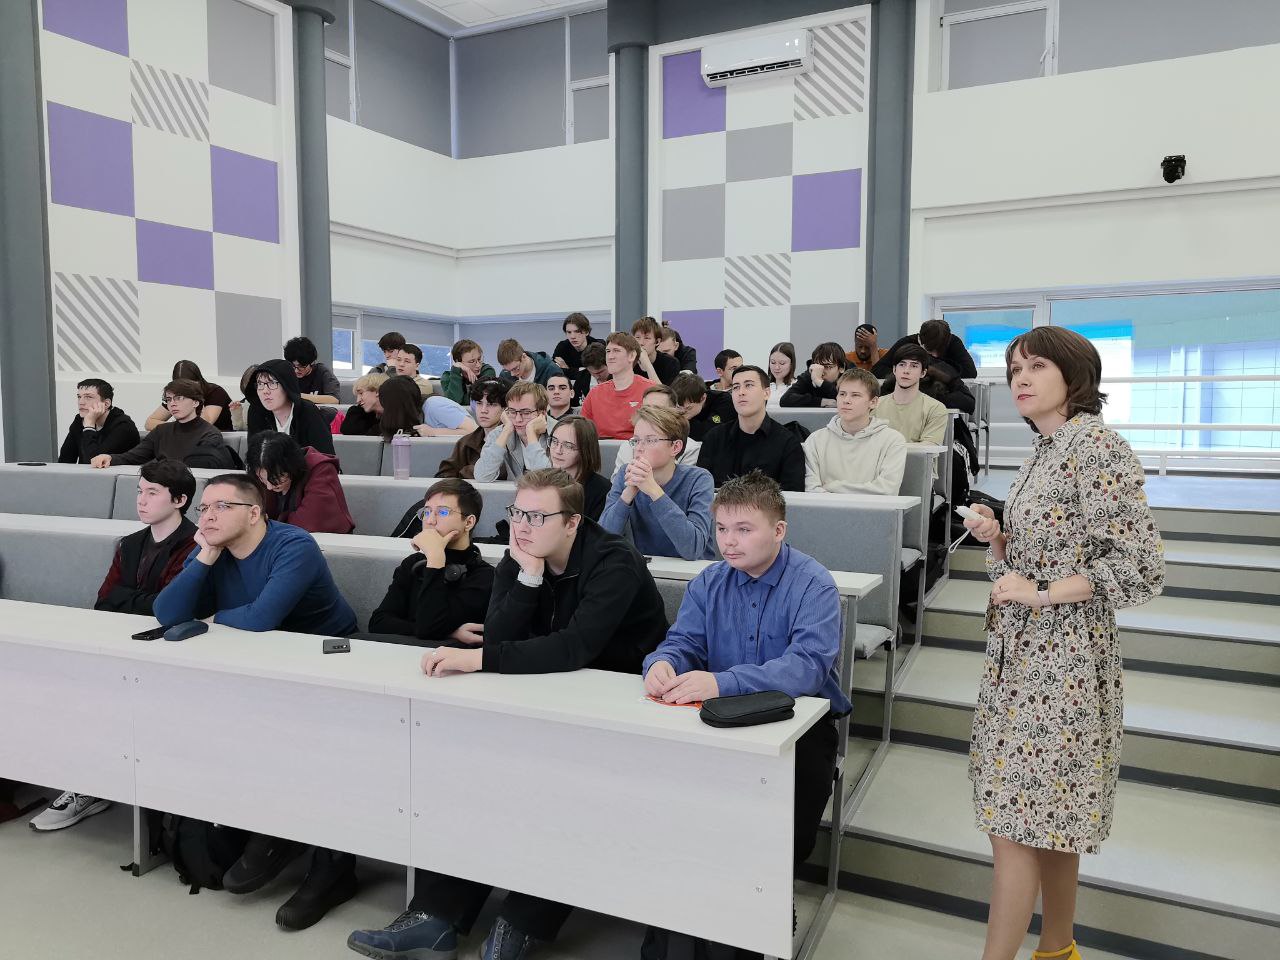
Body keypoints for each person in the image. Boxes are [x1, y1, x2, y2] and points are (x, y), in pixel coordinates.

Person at [350, 469, 666, 960]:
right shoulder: (520, 554)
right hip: (541, 693)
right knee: (473, 774)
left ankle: (521, 923)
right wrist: (529, 577)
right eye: (517, 512)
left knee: (567, 797)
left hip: (617, 707)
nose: (521, 526)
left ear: (572, 522)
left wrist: (478, 659)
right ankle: (435, 917)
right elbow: (499, 633)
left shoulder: (614, 560)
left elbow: (576, 647)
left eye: (537, 516)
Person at [961, 327, 1164, 960]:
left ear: (1074, 375)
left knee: (1014, 824)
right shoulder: (1046, 450)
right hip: (1025, 654)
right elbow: (1036, 561)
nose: (1020, 379)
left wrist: (1042, 590)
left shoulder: (1095, 447)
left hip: (1063, 660)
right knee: (1047, 816)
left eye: (1037, 366)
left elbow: (1140, 566)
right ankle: (1057, 950)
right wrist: (1000, 539)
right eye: (1014, 369)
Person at [639, 471, 849, 959]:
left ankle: (766, 902)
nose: (728, 541)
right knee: (682, 817)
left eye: (743, 529)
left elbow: (806, 668)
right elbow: (683, 642)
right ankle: (685, 920)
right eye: (721, 529)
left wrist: (722, 682)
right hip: (719, 722)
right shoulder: (709, 582)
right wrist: (662, 663)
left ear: (778, 530)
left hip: (799, 729)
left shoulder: (813, 583)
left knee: (781, 836)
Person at [154, 475, 359, 932]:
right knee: (224, 731)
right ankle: (273, 828)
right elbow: (167, 614)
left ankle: (331, 865)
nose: (207, 517)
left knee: (312, 747)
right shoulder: (213, 547)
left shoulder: (293, 545)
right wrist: (205, 557)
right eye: (203, 508)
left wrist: (212, 617)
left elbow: (264, 617)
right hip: (256, 664)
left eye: (220, 507)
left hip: (328, 660)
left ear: (254, 512)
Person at [28, 460, 198, 833]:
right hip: (119, 641)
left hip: (169, 651)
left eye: (152, 492)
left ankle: (98, 785)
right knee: (66, 689)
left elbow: (170, 608)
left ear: (180, 500)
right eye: (140, 491)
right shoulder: (131, 543)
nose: (141, 500)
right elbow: (104, 600)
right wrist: (142, 601)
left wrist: (131, 598)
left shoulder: (195, 545)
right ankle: (89, 783)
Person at [365, 479, 494, 644]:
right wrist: (451, 633)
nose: (430, 520)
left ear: (468, 522)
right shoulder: (413, 563)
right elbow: (378, 623)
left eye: (443, 512)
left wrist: (435, 559)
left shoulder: (485, 577)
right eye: (426, 512)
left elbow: (429, 627)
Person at [600, 405, 714, 560]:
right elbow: (603, 541)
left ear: (675, 447)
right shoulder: (625, 473)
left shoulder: (699, 479)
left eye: (650, 440)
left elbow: (693, 549)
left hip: (691, 572)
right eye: (636, 440)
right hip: (644, 569)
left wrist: (654, 491)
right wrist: (628, 494)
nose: (639, 448)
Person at [697, 365, 805, 491]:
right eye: (736, 387)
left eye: (748, 385)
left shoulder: (787, 443)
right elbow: (701, 490)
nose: (741, 392)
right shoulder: (714, 438)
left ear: (766, 393)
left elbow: (793, 496)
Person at [803, 368, 907, 495]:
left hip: (872, 508)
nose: (846, 400)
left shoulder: (892, 440)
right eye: (842, 394)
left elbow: (887, 490)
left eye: (855, 395)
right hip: (825, 508)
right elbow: (811, 489)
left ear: (873, 402)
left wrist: (834, 487)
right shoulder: (815, 440)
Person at [91, 379, 235, 469]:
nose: (172, 404)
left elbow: (202, 467)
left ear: (196, 402)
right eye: (169, 399)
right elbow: (134, 456)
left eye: (179, 398)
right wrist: (110, 458)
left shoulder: (209, 433)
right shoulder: (161, 430)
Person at [247, 431, 354, 535]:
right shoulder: (260, 473)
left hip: (323, 540)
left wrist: (266, 525)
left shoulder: (321, 469)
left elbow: (309, 521)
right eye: (262, 479)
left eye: (276, 478)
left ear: (291, 466)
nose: (269, 487)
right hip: (279, 537)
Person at [246, 359, 337, 456]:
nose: (265, 391)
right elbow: (254, 456)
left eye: (272, 383)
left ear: (286, 385)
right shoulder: (256, 411)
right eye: (260, 384)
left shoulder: (309, 412)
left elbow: (325, 458)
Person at [610, 384, 702, 479]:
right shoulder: (627, 447)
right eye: (646, 409)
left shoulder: (691, 449)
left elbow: (683, 484)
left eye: (658, 409)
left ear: (674, 412)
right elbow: (616, 483)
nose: (650, 414)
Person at [580, 332, 653, 440]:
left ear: (631, 356)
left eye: (616, 351)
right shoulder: (594, 394)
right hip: (600, 449)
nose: (610, 356)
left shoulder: (650, 391)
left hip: (637, 448)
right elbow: (582, 433)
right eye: (608, 351)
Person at [474, 381, 552, 482]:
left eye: (526, 412)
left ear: (543, 413)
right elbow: (482, 476)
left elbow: (547, 480)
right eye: (512, 411)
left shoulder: (559, 433)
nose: (518, 419)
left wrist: (530, 434)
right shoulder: (501, 433)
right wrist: (506, 430)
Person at [873, 344, 949, 445]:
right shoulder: (874, 406)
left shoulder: (935, 409)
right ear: (894, 369)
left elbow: (929, 447)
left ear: (923, 373)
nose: (906, 371)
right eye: (902, 364)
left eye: (914, 366)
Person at [436, 379, 508, 480]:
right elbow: (444, 475)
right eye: (479, 403)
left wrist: (467, 471)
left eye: (491, 404)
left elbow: (506, 473)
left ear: (505, 409)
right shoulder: (466, 442)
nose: (483, 410)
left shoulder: (514, 440)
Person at [58, 378, 140, 464]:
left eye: (88, 397)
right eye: (79, 397)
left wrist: (89, 425)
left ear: (106, 404)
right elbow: (65, 460)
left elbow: (94, 463)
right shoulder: (79, 420)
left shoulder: (123, 426)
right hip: (87, 473)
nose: (81, 402)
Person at [547, 415, 608, 521]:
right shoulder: (543, 481)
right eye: (554, 441)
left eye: (568, 445)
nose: (557, 451)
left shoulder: (602, 490)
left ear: (585, 449)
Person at [874, 317, 977, 379]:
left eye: (939, 351)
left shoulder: (953, 342)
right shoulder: (906, 343)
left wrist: (936, 372)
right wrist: (912, 374)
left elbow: (970, 373)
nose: (935, 355)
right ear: (920, 341)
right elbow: (877, 370)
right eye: (930, 351)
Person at [144, 360, 234, 431]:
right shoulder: (175, 396)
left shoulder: (215, 392)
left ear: (197, 381)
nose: (184, 391)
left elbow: (206, 424)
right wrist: (176, 427)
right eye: (179, 387)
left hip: (219, 438)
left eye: (187, 386)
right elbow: (149, 423)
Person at [672, 372, 735, 442]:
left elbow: (709, 433)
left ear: (703, 398)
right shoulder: (673, 401)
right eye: (679, 407)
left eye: (688, 408)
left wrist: (682, 421)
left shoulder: (724, 402)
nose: (682, 412)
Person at [780, 341, 846, 407]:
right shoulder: (811, 373)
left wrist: (820, 382)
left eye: (827, 366)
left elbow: (845, 399)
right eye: (818, 366)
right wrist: (821, 401)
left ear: (841, 368)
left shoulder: (849, 376)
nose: (821, 371)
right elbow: (785, 399)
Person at [285, 336, 342, 404]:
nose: (296, 371)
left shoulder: (322, 372)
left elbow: (334, 400)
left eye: (301, 366)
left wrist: (298, 396)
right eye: (293, 366)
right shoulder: (287, 373)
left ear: (312, 362)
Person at [438, 338, 496, 405]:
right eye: (472, 361)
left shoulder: (487, 371)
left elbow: (478, 399)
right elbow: (453, 402)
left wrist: (462, 399)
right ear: (458, 362)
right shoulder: (447, 376)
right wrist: (456, 372)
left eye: (479, 359)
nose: (478, 365)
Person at [631, 316, 681, 385]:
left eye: (647, 338)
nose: (641, 343)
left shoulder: (671, 363)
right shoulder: (628, 361)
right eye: (637, 337)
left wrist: (648, 365)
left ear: (657, 341)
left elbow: (664, 392)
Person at [339, 372, 389, 436]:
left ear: (377, 391)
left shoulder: (397, 415)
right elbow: (347, 430)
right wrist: (357, 409)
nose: (358, 400)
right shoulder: (365, 414)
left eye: (361, 393)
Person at [570, 340, 609, 406]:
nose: (597, 377)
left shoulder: (620, 377)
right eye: (592, 373)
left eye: (600, 372)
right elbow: (574, 403)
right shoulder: (582, 377)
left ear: (609, 364)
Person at [766, 341, 798, 407]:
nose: (777, 367)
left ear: (791, 364)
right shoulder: (764, 386)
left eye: (782, 363)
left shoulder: (797, 386)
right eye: (773, 362)